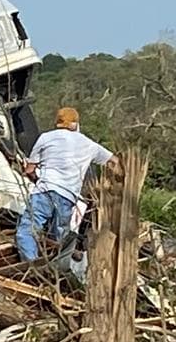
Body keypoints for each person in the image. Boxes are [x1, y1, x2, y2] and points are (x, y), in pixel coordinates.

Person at [14, 106, 118, 263]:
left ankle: (31, 265)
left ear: (57, 122)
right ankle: (56, 270)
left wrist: (29, 172)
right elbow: (115, 162)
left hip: (45, 191)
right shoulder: (89, 144)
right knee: (59, 239)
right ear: (75, 124)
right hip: (67, 197)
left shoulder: (46, 137)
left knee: (27, 231)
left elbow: (30, 168)